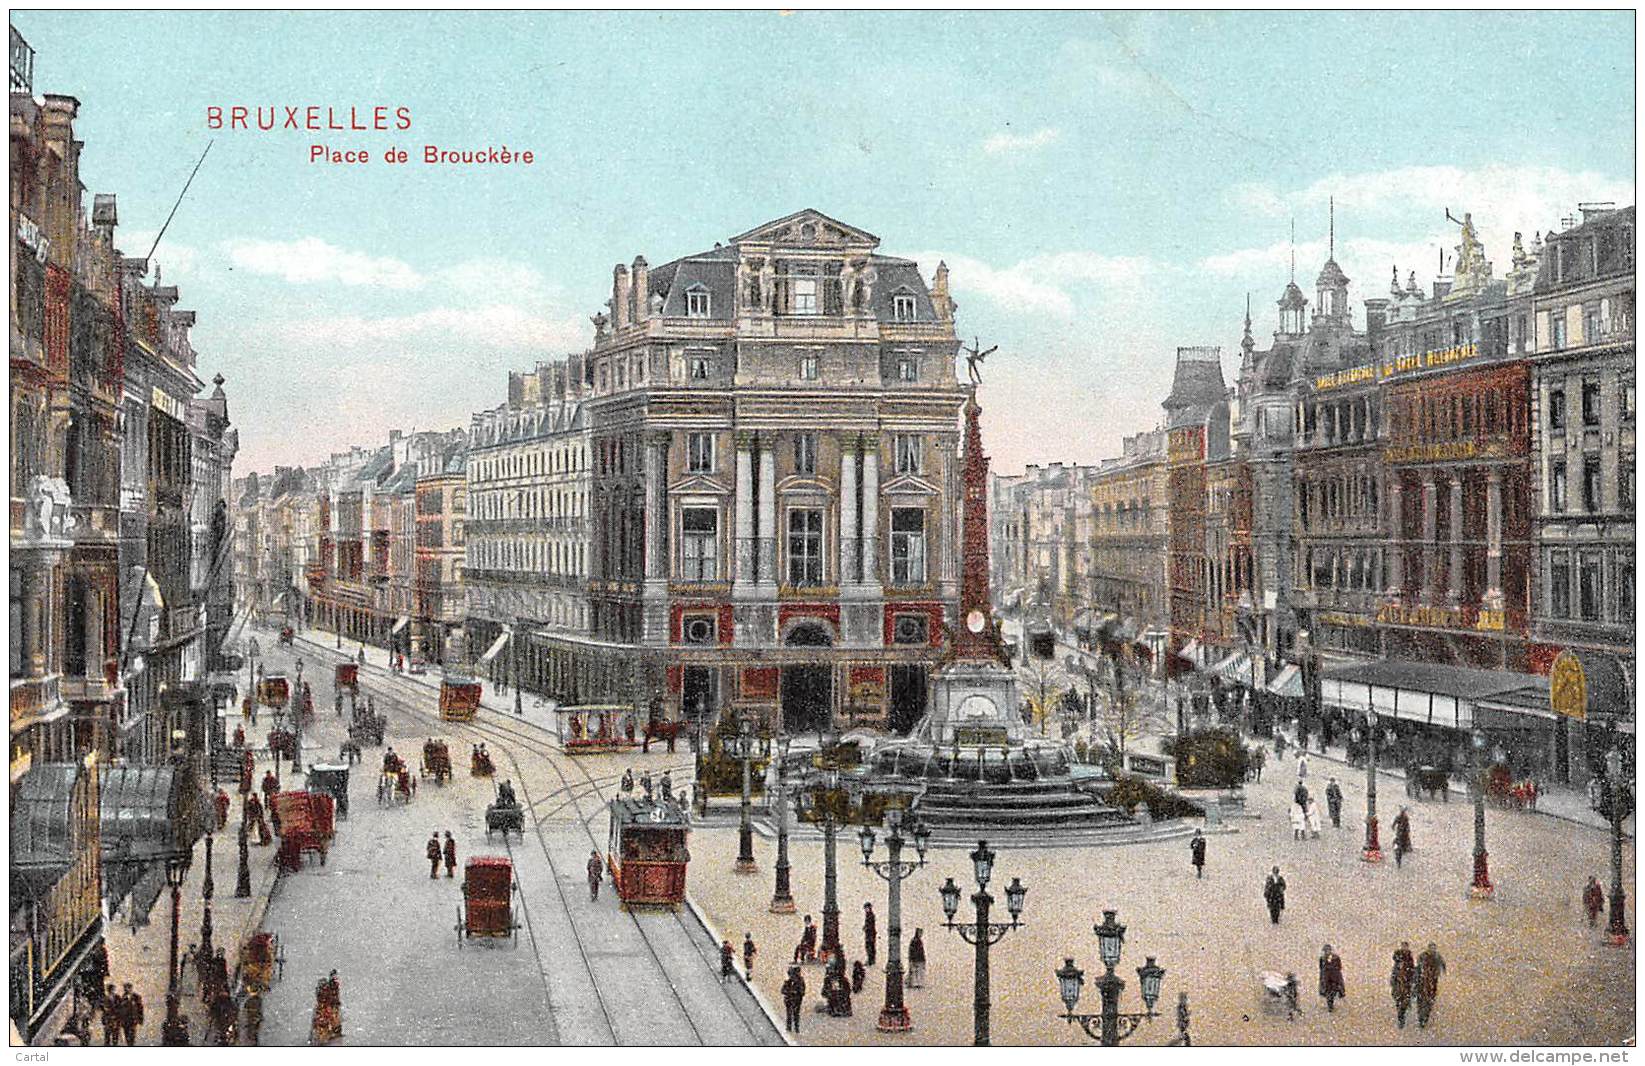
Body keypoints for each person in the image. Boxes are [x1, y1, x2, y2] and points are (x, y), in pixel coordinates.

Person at [1415, 942, 1445, 1029]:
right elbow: (1419, 961)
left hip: (1432, 976)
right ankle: (1415, 992)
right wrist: (1422, 968)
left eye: (1433, 948)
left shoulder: (1437, 956)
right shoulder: (1424, 955)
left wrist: (1439, 970)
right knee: (1417, 980)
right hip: (1423, 974)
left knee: (1433, 986)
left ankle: (1431, 998)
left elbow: (1442, 964)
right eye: (1431, 948)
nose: (1432, 950)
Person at [311, 970, 342, 1044]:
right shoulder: (323, 1009)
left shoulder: (325, 1009)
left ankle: (326, 1034)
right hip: (328, 1008)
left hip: (328, 1008)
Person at [1390, 940, 1416, 1029]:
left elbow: (1412, 967)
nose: (1404, 948)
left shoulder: (1409, 956)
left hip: (1407, 979)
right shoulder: (1398, 954)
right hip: (1398, 977)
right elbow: (1394, 958)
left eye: (1406, 946)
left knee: (1409, 991)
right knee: (1395, 982)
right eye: (1403, 946)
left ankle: (1403, 1011)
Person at [1318, 943, 1346, 1012]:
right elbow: (1321, 968)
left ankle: (1339, 994)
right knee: (1328, 990)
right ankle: (1330, 1004)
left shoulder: (1335, 957)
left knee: (1335, 988)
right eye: (1326, 950)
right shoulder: (1322, 958)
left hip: (1333, 976)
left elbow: (1339, 966)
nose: (1327, 952)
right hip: (1327, 977)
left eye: (1328, 950)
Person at [781, 966, 806, 1033]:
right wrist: (789, 992)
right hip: (789, 1000)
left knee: (796, 1014)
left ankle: (796, 1028)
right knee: (789, 1014)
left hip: (797, 1001)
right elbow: (783, 990)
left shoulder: (801, 981)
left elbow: (802, 992)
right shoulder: (788, 981)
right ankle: (789, 1027)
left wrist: (796, 992)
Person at [863, 902, 877, 966]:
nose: (866, 909)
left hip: (870, 933)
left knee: (870, 946)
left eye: (867, 908)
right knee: (869, 946)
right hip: (869, 933)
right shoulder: (868, 915)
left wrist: (866, 928)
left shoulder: (870, 915)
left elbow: (871, 925)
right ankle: (871, 960)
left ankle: (871, 960)